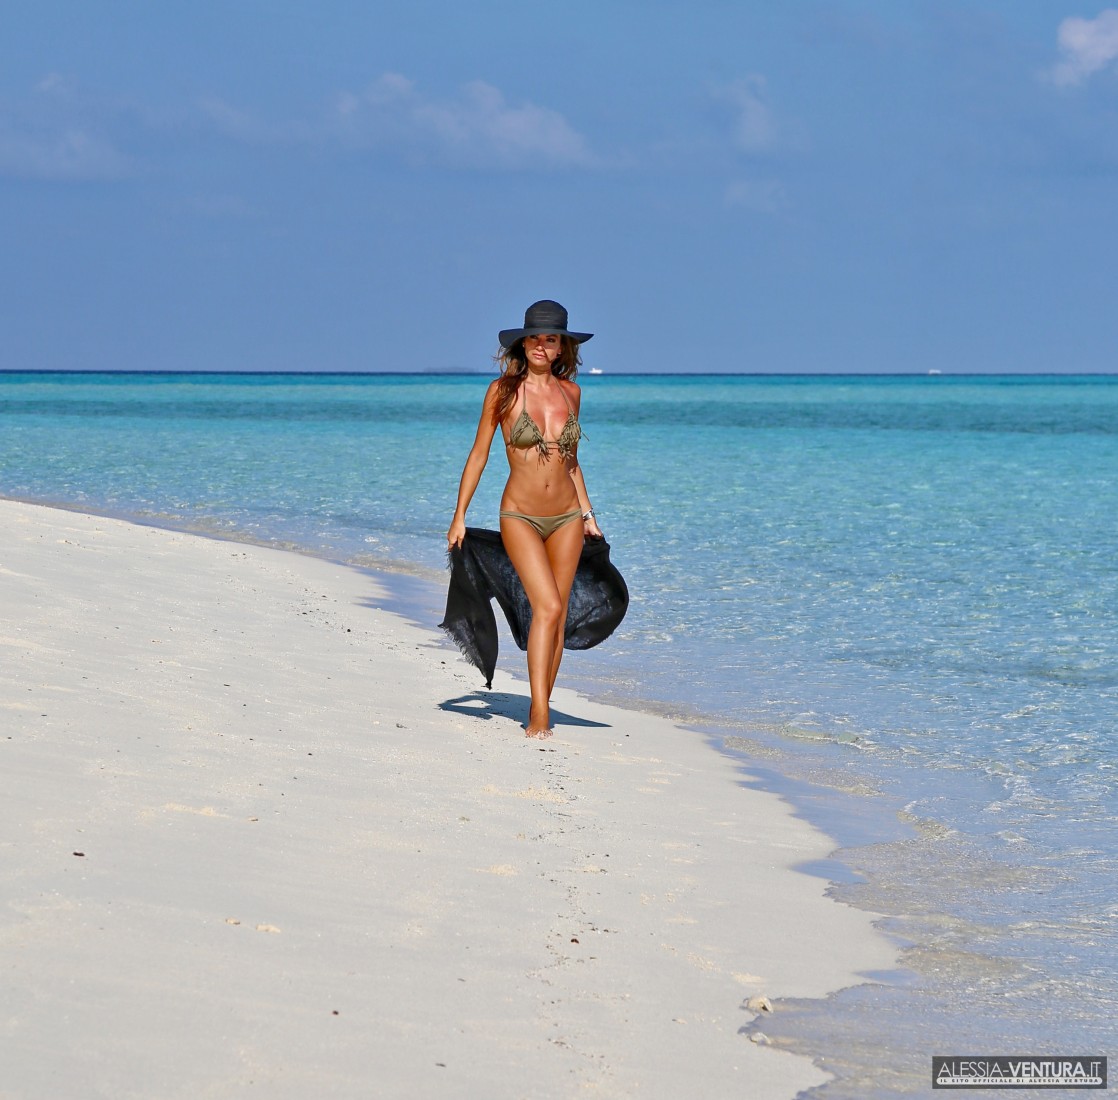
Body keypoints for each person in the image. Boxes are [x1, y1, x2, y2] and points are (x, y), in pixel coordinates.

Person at [447, 300, 604, 739]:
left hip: (568, 516)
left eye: (550, 338)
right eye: (533, 337)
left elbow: (572, 462)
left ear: (561, 347)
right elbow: (478, 455)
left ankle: (542, 701)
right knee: (548, 607)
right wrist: (459, 515)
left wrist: (588, 513)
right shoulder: (503, 392)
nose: (540, 344)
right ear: (523, 342)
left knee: (558, 614)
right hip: (520, 515)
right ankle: (538, 718)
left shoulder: (572, 393)